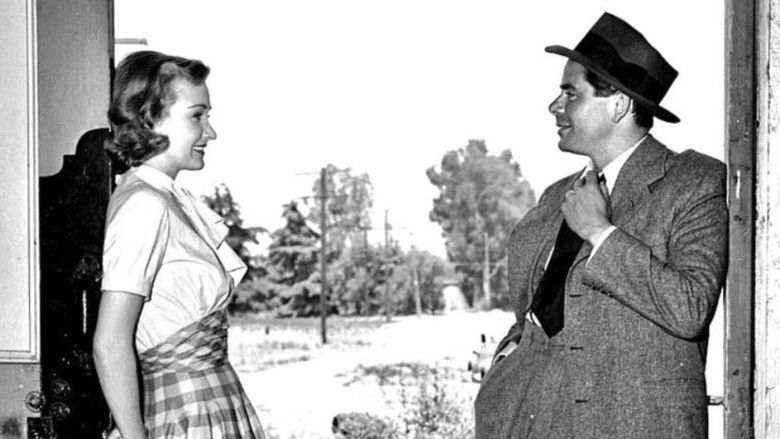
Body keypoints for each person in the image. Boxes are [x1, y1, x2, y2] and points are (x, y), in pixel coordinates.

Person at [474, 12, 727, 439]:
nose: (554, 106)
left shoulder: (693, 181)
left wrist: (600, 233)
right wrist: (508, 360)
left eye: (570, 93)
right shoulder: (556, 196)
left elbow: (690, 308)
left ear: (619, 104)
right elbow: (533, 311)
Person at [93, 50, 266, 438]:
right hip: (188, 410)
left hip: (209, 402)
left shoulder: (167, 198)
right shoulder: (144, 204)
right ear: (150, 118)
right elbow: (109, 342)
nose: (210, 132)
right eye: (196, 116)